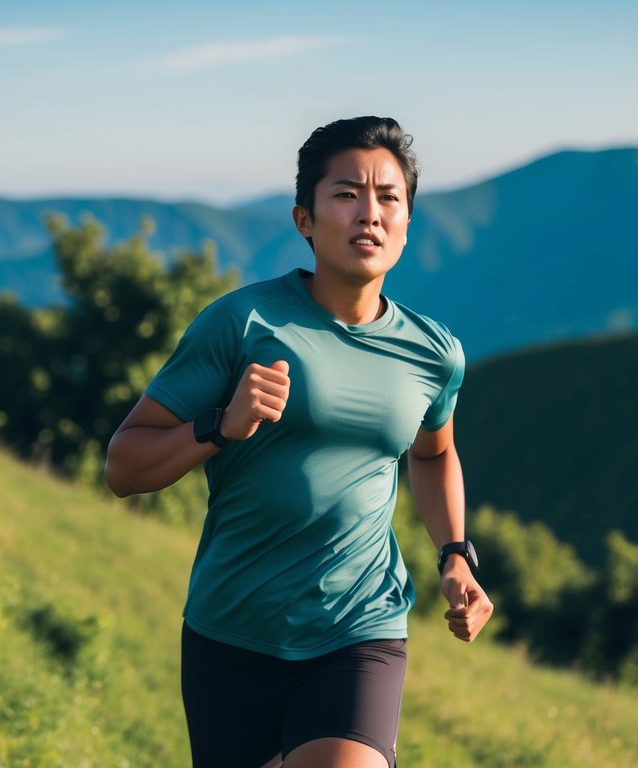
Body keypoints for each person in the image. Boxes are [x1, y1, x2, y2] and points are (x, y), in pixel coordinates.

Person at [104, 116, 493, 768]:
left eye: (387, 197)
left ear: (407, 221)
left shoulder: (433, 353)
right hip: (231, 631)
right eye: (345, 193)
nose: (368, 212)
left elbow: (432, 453)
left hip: (358, 627)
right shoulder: (242, 322)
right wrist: (218, 425)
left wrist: (454, 554)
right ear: (303, 219)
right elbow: (123, 465)